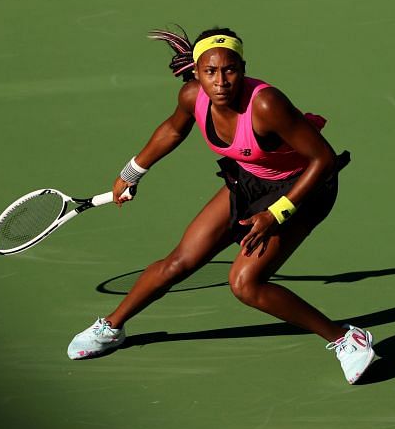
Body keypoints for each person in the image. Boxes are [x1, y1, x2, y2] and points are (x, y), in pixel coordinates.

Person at [66, 26, 374, 384]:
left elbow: (324, 159)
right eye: (210, 71)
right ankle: (111, 328)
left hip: (305, 187)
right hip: (249, 183)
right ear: (196, 72)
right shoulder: (191, 96)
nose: (221, 80)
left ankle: (345, 338)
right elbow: (173, 129)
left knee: (245, 283)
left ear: (243, 68)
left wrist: (277, 213)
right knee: (179, 261)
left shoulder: (266, 103)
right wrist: (132, 172)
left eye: (230, 70)